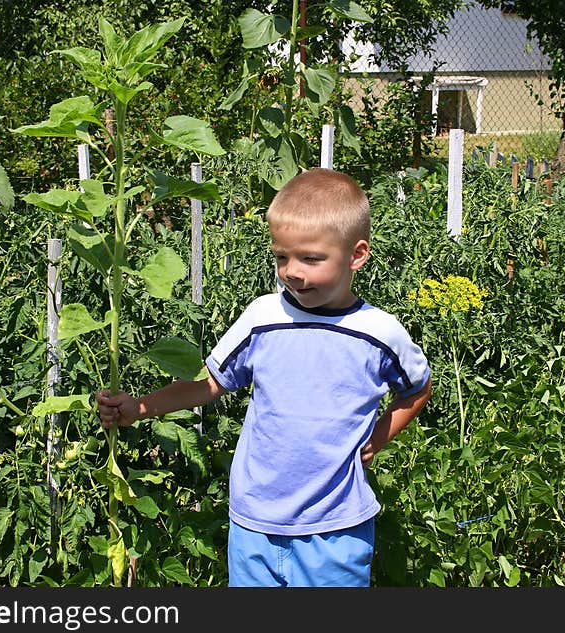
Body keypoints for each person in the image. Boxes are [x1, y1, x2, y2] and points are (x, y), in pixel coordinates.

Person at [96, 167, 432, 587]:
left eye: (311, 258)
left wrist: (377, 439)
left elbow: (418, 388)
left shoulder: (378, 334)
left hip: (335, 530)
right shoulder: (264, 318)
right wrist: (139, 407)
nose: (292, 271)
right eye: (281, 256)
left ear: (356, 255)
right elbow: (209, 383)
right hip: (255, 525)